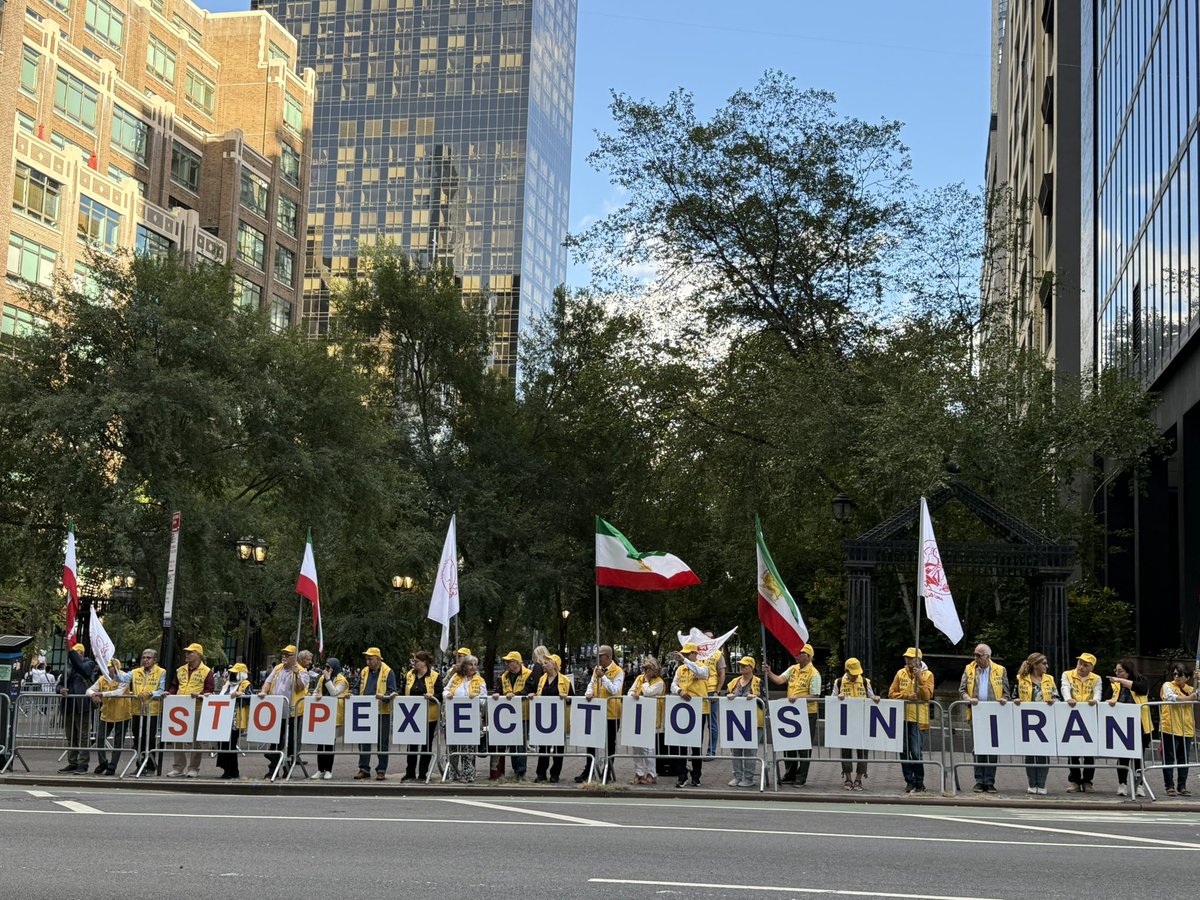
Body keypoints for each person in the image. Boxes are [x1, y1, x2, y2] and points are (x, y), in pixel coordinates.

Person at [764, 643, 820, 786]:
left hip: (807, 713)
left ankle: (801, 777)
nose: (796, 655)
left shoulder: (814, 673)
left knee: (804, 747)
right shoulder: (793, 669)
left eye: (800, 653)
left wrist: (799, 698)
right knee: (789, 744)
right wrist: (769, 672)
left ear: (808, 656)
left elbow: (815, 695)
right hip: (791, 713)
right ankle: (790, 774)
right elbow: (780, 680)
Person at [959, 642, 1010, 793]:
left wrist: (1004, 699)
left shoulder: (1000, 670)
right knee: (978, 748)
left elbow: (1006, 692)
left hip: (994, 714)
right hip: (976, 713)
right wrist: (968, 699)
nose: (975, 658)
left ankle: (989, 781)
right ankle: (979, 780)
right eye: (974, 654)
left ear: (987, 657)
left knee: (992, 748)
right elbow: (961, 690)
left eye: (979, 655)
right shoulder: (969, 669)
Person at [258, 644, 311, 778]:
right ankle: (272, 770)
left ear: (295, 657)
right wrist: (263, 692)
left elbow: (300, 688)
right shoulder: (278, 668)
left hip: (293, 712)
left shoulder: (302, 671)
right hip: (277, 711)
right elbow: (268, 682)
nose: (284, 657)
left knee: (291, 743)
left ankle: (288, 770)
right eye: (283, 654)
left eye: (288, 655)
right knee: (275, 741)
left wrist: (296, 674)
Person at [575, 645, 625, 783]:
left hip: (611, 713)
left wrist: (603, 677)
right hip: (596, 711)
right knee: (591, 742)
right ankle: (589, 769)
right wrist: (589, 692)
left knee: (610, 744)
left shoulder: (618, 671)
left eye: (600, 657)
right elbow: (591, 684)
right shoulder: (596, 671)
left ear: (608, 657)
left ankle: (608, 771)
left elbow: (615, 690)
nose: (597, 660)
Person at [888, 648, 934, 794]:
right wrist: (906, 696)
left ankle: (919, 781)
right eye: (906, 658)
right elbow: (891, 693)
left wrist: (919, 677)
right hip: (902, 717)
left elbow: (927, 696)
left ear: (919, 660)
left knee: (916, 752)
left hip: (918, 718)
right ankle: (909, 781)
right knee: (904, 751)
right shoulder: (900, 673)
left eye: (911, 658)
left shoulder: (928, 674)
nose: (908, 661)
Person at [166, 642, 214, 778]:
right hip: (179, 708)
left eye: (190, 652)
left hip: (197, 708)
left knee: (195, 740)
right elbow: (174, 686)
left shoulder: (207, 671)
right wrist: (169, 693)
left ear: (198, 655)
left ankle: (193, 768)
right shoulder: (180, 670)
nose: (186, 655)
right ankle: (178, 767)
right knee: (177, 738)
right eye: (186, 652)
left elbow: (209, 690)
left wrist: (199, 696)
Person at [1014, 652, 1058, 795]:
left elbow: (1057, 697)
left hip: (1045, 720)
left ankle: (1042, 783)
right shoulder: (1021, 679)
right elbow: (1014, 695)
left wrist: (1053, 701)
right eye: (1044, 663)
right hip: (1027, 720)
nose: (1047, 666)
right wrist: (1016, 700)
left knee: (1044, 753)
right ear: (1035, 665)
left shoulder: (1049, 679)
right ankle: (1032, 783)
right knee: (1030, 752)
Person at [1107, 657, 1151, 797]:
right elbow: (1108, 697)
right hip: (1120, 726)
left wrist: (1121, 681)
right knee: (1122, 757)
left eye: (1120, 671)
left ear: (1128, 672)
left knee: (1139, 757)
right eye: (1116, 671)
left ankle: (1139, 785)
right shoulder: (1115, 685)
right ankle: (1122, 784)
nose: (1117, 674)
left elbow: (1142, 690)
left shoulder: (1141, 681)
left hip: (1140, 725)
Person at [834, 657, 879, 791]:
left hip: (862, 721)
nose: (855, 675)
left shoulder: (865, 682)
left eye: (856, 673)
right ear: (846, 671)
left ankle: (859, 779)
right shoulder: (839, 682)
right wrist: (838, 698)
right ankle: (848, 778)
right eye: (852, 673)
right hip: (846, 722)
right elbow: (831, 699)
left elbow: (871, 696)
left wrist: (875, 698)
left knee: (863, 751)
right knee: (846, 750)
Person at [669, 642, 709, 788]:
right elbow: (673, 685)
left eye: (687, 654)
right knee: (681, 744)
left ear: (694, 654)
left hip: (699, 709)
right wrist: (680, 691)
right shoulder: (680, 669)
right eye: (683, 654)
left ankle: (696, 776)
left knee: (696, 745)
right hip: (682, 709)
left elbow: (701, 673)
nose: (684, 656)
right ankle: (682, 775)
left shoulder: (703, 666)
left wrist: (685, 660)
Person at [1061, 652, 1102, 792]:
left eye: (1086, 665)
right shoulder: (1067, 674)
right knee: (1073, 751)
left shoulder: (1096, 678)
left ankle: (1087, 781)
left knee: (1089, 753)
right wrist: (1068, 699)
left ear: (1092, 668)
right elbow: (1065, 687)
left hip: (1089, 718)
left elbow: (1098, 692)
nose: (1081, 667)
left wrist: (1095, 700)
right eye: (1080, 663)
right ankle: (1074, 781)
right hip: (1072, 717)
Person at [354, 647, 397, 780]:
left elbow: (392, 692)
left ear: (378, 659)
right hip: (365, 710)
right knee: (363, 741)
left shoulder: (388, 672)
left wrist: (384, 697)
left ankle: (381, 769)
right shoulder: (364, 671)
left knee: (382, 742)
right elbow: (357, 688)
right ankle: (364, 768)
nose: (368, 661)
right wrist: (353, 695)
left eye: (370, 659)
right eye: (366, 659)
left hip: (382, 712)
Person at [529, 653, 572, 783]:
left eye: (547, 663)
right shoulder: (542, 679)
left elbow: (572, 699)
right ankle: (541, 774)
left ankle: (555, 774)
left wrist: (566, 697)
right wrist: (533, 695)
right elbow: (539, 694)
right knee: (543, 747)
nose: (544, 664)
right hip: (544, 718)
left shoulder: (565, 680)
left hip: (559, 719)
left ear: (554, 665)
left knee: (558, 748)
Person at [443, 655, 487, 783]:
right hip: (455, 718)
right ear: (465, 666)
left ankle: (468, 774)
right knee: (453, 747)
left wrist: (477, 698)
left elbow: (484, 700)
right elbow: (445, 690)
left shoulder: (480, 681)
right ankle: (453, 773)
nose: (473, 667)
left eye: (475, 664)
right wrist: (448, 695)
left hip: (471, 719)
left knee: (469, 749)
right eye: (470, 664)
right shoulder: (456, 678)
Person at [86, 659, 132, 776]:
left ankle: (112, 765)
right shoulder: (103, 678)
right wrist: (93, 695)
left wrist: (101, 694)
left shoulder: (124, 677)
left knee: (118, 742)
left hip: (122, 714)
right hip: (106, 714)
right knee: (100, 738)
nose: (107, 669)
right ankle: (103, 762)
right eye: (106, 667)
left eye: (110, 667)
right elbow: (89, 690)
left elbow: (119, 692)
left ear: (116, 667)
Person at [58, 643, 99, 774]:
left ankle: (83, 763)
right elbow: (59, 684)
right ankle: (73, 762)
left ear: (81, 653)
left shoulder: (89, 663)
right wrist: (60, 690)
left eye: (76, 652)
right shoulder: (67, 667)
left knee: (83, 736)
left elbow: (83, 670)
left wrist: (71, 652)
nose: (73, 655)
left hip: (83, 706)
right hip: (69, 705)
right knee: (71, 736)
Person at [401, 651, 441, 783]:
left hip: (429, 716)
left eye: (416, 661)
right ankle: (410, 772)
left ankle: (423, 773)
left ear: (424, 662)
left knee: (426, 745)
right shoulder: (409, 675)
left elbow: (440, 695)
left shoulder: (435, 676)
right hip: (411, 715)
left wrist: (432, 696)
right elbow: (403, 691)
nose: (414, 664)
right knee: (411, 745)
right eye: (413, 661)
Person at [494, 651, 533, 781]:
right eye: (507, 662)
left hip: (523, 714)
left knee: (520, 744)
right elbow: (498, 690)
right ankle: (516, 770)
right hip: (508, 714)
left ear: (517, 662)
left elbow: (529, 690)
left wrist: (514, 695)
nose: (507, 664)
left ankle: (521, 772)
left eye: (510, 661)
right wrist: (496, 694)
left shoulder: (528, 674)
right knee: (512, 744)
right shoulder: (503, 676)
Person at [725, 656, 763, 788]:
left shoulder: (758, 682)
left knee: (749, 751)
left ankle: (748, 777)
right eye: (741, 665)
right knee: (736, 750)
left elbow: (766, 700)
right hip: (735, 721)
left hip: (753, 722)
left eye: (745, 665)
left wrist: (757, 697)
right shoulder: (734, 682)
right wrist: (728, 696)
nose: (742, 667)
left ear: (751, 668)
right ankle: (737, 776)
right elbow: (727, 695)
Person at [1159, 662, 1196, 797]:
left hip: (1186, 728)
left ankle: (1182, 786)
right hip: (1170, 727)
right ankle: (1169, 786)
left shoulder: (1191, 688)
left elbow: (1197, 694)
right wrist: (1188, 699)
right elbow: (1171, 697)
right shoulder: (1167, 685)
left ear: (1187, 677)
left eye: (1179, 675)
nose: (1176, 677)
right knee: (1169, 758)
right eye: (1174, 674)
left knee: (1184, 758)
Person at [629, 656, 665, 784]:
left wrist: (644, 683)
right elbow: (631, 691)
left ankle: (651, 773)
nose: (645, 671)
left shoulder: (659, 682)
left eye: (648, 668)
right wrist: (633, 694)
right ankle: (639, 772)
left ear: (654, 670)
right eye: (644, 668)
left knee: (648, 747)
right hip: (638, 715)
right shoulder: (639, 678)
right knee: (636, 746)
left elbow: (648, 692)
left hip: (652, 717)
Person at [310, 658, 348, 780]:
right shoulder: (321, 678)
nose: (327, 670)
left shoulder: (342, 680)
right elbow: (315, 692)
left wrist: (327, 679)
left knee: (330, 743)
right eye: (326, 667)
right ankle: (320, 769)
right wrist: (316, 696)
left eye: (329, 667)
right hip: (321, 715)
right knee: (320, 743)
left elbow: (334, 692)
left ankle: (328, 769)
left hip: (334, 715)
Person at [129, 648, 166, 775]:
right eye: (143, 657)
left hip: (152, 711)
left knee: (149, 739)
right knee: (138, 739)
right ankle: (140, 765)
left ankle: (150, 766)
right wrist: (115, 670)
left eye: (148, 658)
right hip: (137, 710)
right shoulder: (135, 672)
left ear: (155, 660)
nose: (145, 660)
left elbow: (162, 690)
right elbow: (122, 678)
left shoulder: (161, 672)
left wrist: (150, 693)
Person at [215, 662, 252, 779]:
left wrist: (241, 693)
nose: (232, 675)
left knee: (231, 744)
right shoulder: (227, 684)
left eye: (235, 673)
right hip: (223, 717)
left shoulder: (246, 684)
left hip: (236, 719)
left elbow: (251, 698)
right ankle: (226, 769)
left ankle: (233, 771)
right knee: (223, 744)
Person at [703, 631, 726, 758]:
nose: (709, 639)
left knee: (712, 723)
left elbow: (722, 674)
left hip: (711, 692)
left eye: (712, 638)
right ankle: (696, 752)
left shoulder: (718, 654)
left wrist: (717, 690)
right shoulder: (697, 653)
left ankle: (711, 751)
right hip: (698, 692)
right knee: (698, 724)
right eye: (706, 637)